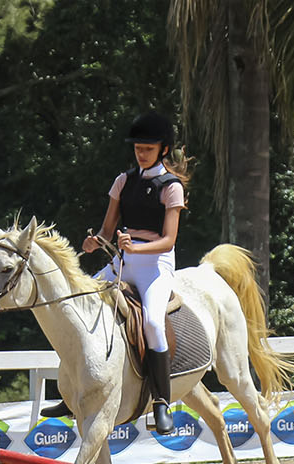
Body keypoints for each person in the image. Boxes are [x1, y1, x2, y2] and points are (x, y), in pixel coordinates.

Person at [43, 111, 188, 432]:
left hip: (156, 266)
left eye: (148, 148)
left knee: (151, 322)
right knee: (76, 305)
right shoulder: (123, 181)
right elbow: (108, 231)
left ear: (164, 149)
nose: (141, 153)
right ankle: (68, 393)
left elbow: (168, 240)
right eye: (138, 148)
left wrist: (136, 247)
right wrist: (96, 242)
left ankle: (162, 402)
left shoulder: (172, 187)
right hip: (122, 263)